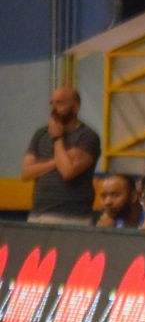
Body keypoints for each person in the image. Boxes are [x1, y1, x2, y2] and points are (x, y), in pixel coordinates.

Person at [22, 86, 100, 224]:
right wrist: (57, 161)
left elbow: (68, 172)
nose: (53, 109)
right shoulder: (41, 134)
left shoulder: (87, 136)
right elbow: (26, 173)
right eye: (51, 103)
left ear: (75, 107)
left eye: (60, 103)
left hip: (72, 217)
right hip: (38, 214)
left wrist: (58, 139)